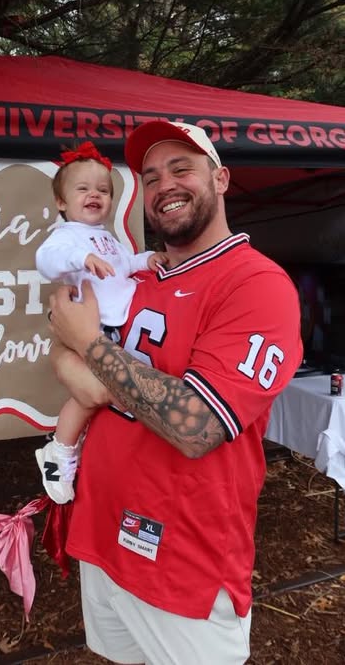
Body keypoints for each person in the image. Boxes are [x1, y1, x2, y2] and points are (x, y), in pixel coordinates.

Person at [46, 120, 303, 665]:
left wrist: (92, 351)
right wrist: (90, 362)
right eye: (151, 175)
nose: (165, 185)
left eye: (182, 168)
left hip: (185, 562)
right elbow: (59, 350)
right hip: (102, 533)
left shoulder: (256, 284)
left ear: (221, 178)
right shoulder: (135, 277)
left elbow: (196, 427)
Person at [34, 141, 168, 503]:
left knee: (111, 395)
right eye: (83, 189)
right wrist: (81, 258)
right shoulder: (66, 236)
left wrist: (145, 261)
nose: (95, 194)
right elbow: (46, 261)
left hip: (120, 330)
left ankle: (74, 449)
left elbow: (124, 266)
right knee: (87, 397)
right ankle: (59, 452)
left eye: (103, 190)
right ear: (61, 202)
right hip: (95, 330)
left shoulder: (109, 239)